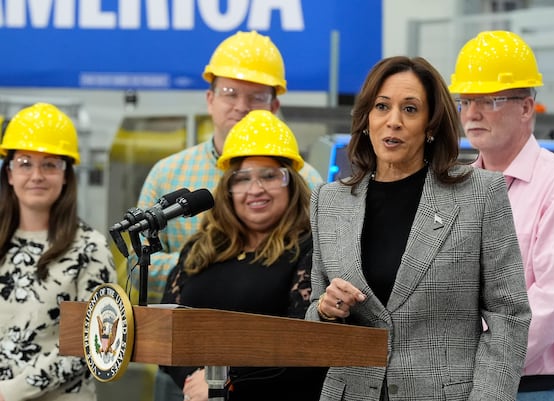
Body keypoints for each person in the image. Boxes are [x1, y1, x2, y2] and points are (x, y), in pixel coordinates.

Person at [305, 56, 532, 401]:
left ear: (430, 125)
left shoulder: (480, 194)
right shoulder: (328, 201)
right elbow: (315, 321)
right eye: (382, 107)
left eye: (410, 110)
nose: (393, 121)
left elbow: (509, 315)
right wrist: (325, 310)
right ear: (367, 118)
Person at [448, 30, 554, 400]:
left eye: (490, 100)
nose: (473, 113)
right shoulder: (456, 184)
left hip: (527, 389)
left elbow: (550, 303)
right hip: (453, 383)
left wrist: (478, 366)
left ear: (527, 107)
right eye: (466, 100)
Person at [134, 30, 323, 305]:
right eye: (230, 93)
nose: (242, 107)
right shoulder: (166, 174)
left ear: (274, 105)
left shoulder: (306, 179)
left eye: (256, 97)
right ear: (210, 99)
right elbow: (137, 263)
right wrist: (208, 259)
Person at [160, 109, 326, 401]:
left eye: (270, 176)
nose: (256, 189)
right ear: (229, 188)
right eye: (242, 178)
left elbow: (304, 341)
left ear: (292, 184)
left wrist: (221, 379)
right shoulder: (202, 246)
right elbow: (164, 329)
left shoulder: (310, 248)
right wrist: (195, 380)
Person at [0, 103, 116, 400]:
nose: (36, 175)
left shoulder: (90, 247)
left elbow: (94, 342)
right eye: (25, 163)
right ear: (9, 173)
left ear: (66, 175)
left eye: (49, 164)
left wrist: (11, 392)